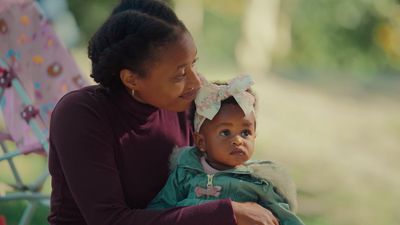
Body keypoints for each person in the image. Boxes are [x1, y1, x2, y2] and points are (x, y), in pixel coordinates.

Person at [48, 0, 279, 224]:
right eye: (180, 75)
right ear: (132, 79)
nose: (196, 82)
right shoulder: (81, 115)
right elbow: (110, 220)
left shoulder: (187, 104)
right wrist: (227, 212)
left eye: (194, 64)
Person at [147, 75, 305, 225]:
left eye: (245, 133)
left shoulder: (259, 182)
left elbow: (287, 220)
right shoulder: (185, 174)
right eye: (225, 132)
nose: (238, 140)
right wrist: (192, 207)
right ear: (201, 141)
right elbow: (159, 214)